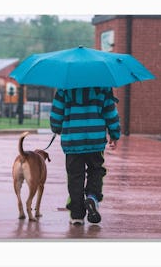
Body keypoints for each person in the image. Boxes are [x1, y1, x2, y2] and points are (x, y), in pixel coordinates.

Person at [50, 87, 121, 225]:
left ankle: (77, 215)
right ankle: (92, 197)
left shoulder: (64, 88)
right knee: (96, 170)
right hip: (95, 139)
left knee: (75, 176)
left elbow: (56, 113)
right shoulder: (103, 87)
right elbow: (111, 113)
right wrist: (114, 134)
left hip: (72, 140)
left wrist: (57, 128)